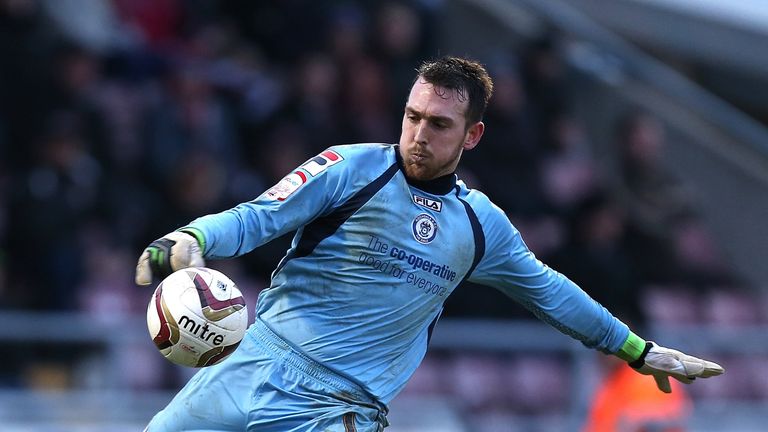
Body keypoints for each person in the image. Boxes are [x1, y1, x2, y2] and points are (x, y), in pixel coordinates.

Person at [135, 56, 724, 432]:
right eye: (412, 116)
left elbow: (549, 293)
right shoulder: (350, 168)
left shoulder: (478, 226)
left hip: (333, 411)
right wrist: (193, 235)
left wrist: (634, 350)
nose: (418, 134)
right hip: (249, 362)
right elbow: (257, 217)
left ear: (473, 135)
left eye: (438, 125)